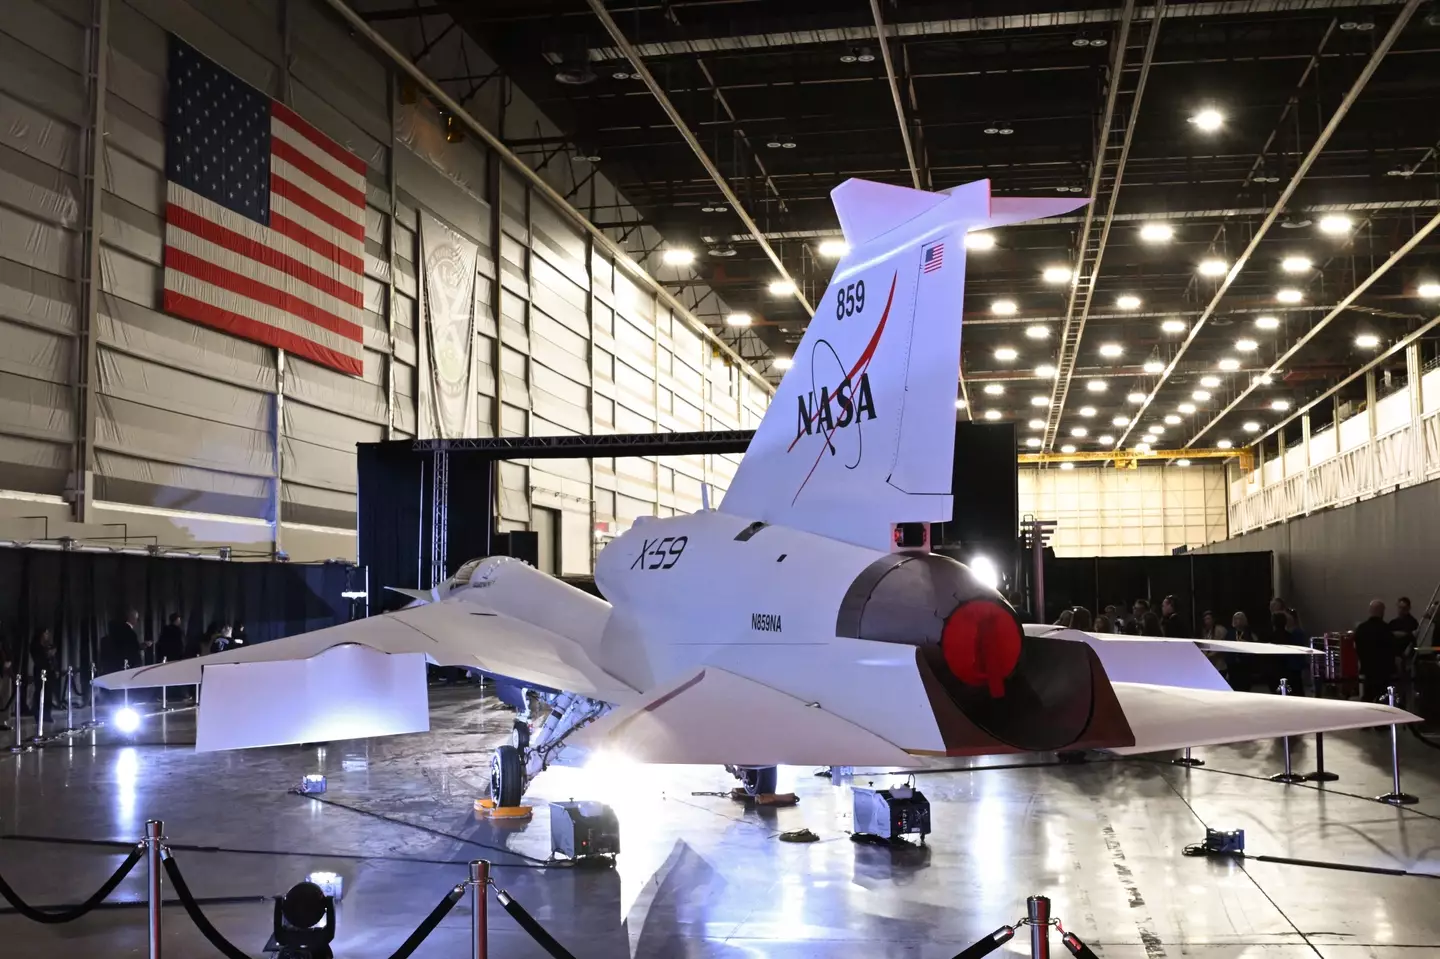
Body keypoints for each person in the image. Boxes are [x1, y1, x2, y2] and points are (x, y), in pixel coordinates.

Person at [1355, 599, 1399, 700]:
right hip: (1384, 672)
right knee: (1384, 698)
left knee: (1368, 696)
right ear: (1382, 612)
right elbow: (1393, 649)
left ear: (1370, 611)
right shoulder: (1386, 629)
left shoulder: (1361, 629)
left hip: (1367, 669)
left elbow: (1357, 648)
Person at [28, 627, 58, 722]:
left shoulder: (48, 645)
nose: (47, 635)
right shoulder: (35, 645)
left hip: (50, 672)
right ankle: (38, 714)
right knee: (40, 693)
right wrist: (47, 654)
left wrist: (55, 669)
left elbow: (53, 659)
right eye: (45, 633)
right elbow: (38, 659)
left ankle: (47, 714)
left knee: (49, 694)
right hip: (40, 671)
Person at [105, 609, 143, 674]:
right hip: (130, 665)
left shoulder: (117, 631)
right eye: (136, 619)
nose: (137, 621)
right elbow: (133, 649)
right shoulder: (130, 633)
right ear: (132, 618)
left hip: (118, 665)